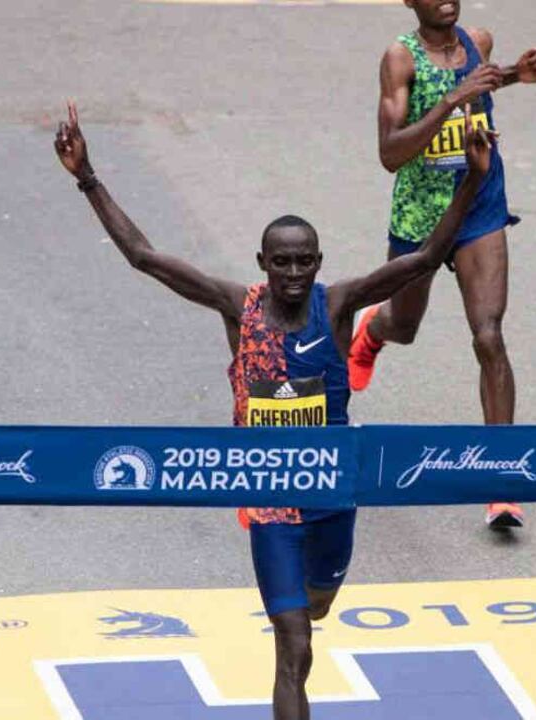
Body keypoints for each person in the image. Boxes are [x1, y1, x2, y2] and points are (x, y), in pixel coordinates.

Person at [53, 100, 493, 720]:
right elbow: (146, 259)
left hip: (333, 495)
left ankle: (315, 593)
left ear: (318, 263)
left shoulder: (337, 305)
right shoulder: (239, 308)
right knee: (294, 645)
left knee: (317, 608)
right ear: (263, 264)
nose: (292, 272)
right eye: (280, 261)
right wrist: (87, 177)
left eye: (303, 260)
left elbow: (420, 262)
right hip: (269, 499)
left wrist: (473, 180)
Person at [348, 0, 536, 531]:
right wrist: (451, 100)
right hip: (420, 212)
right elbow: (390, 153)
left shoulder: (477, 41)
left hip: (480, 205)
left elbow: (482, 82)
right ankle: (374, 332)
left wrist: (513, 77)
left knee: (489, 336)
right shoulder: (400, 60)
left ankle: (500, 481)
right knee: (405, 326)